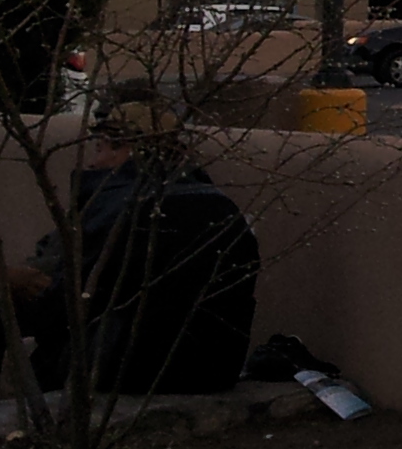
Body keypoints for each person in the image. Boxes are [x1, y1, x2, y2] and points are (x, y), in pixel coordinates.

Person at [28, 92, 260, 395]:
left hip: (126, 373)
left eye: (100, 149)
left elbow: (68, 301)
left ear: (125, 148)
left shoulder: (119, 205)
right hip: (212, 372)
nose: (94, 163)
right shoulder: (220, 206)